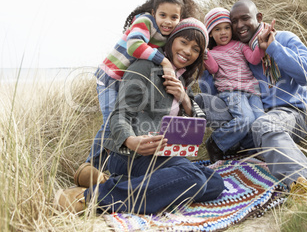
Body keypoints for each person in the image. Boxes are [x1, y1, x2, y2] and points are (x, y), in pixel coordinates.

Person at [54, 18, 225, 214]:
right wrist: (131, 140)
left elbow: (198, 125)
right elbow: (119, 114)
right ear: (171, 41)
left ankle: (114, 182)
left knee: (214, 182)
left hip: (163, 154)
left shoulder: (182, 78)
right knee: (193, 178)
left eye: (195, 49)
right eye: (183, 42)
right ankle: (89, 198)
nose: (188, 51)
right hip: (130, 154)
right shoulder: (145, 67)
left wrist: (184, 98)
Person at [196, 0, 307, 195]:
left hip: (292, 114)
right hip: (253, 116)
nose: (239, 26)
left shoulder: (283, 39)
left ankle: (304, 185)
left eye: (245, 18)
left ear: (259, 17)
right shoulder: (240, 53)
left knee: (264, 124)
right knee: (203, 102)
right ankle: (218, 148)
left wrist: (273, 48)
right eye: (234, 22)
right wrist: (205, 71)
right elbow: (217, 95)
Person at [82, 0, 199, 172]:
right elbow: (134, 46)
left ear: (180, 18)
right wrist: (165, 62)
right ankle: (91, 166)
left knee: (121, 117)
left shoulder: (169, 34)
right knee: (111, 121)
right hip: (110, 77)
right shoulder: (145, 22)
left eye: (174, 17)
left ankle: (104, 167)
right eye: (163, 15)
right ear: (153, 12)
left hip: (125, 77)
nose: (168, 21)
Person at [202, 7, 266, 163]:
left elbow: (254, 59)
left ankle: (254, 151)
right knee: (245, 119)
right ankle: (216, 143)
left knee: (260, 123)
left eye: (226, 28)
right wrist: (205, 54)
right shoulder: (212, 52)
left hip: (252, 91)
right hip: (231, 91)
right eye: (217, 29)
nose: (223, 32)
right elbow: (213, 69)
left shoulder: (239, 46)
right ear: (210, 33)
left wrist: (261, 47)